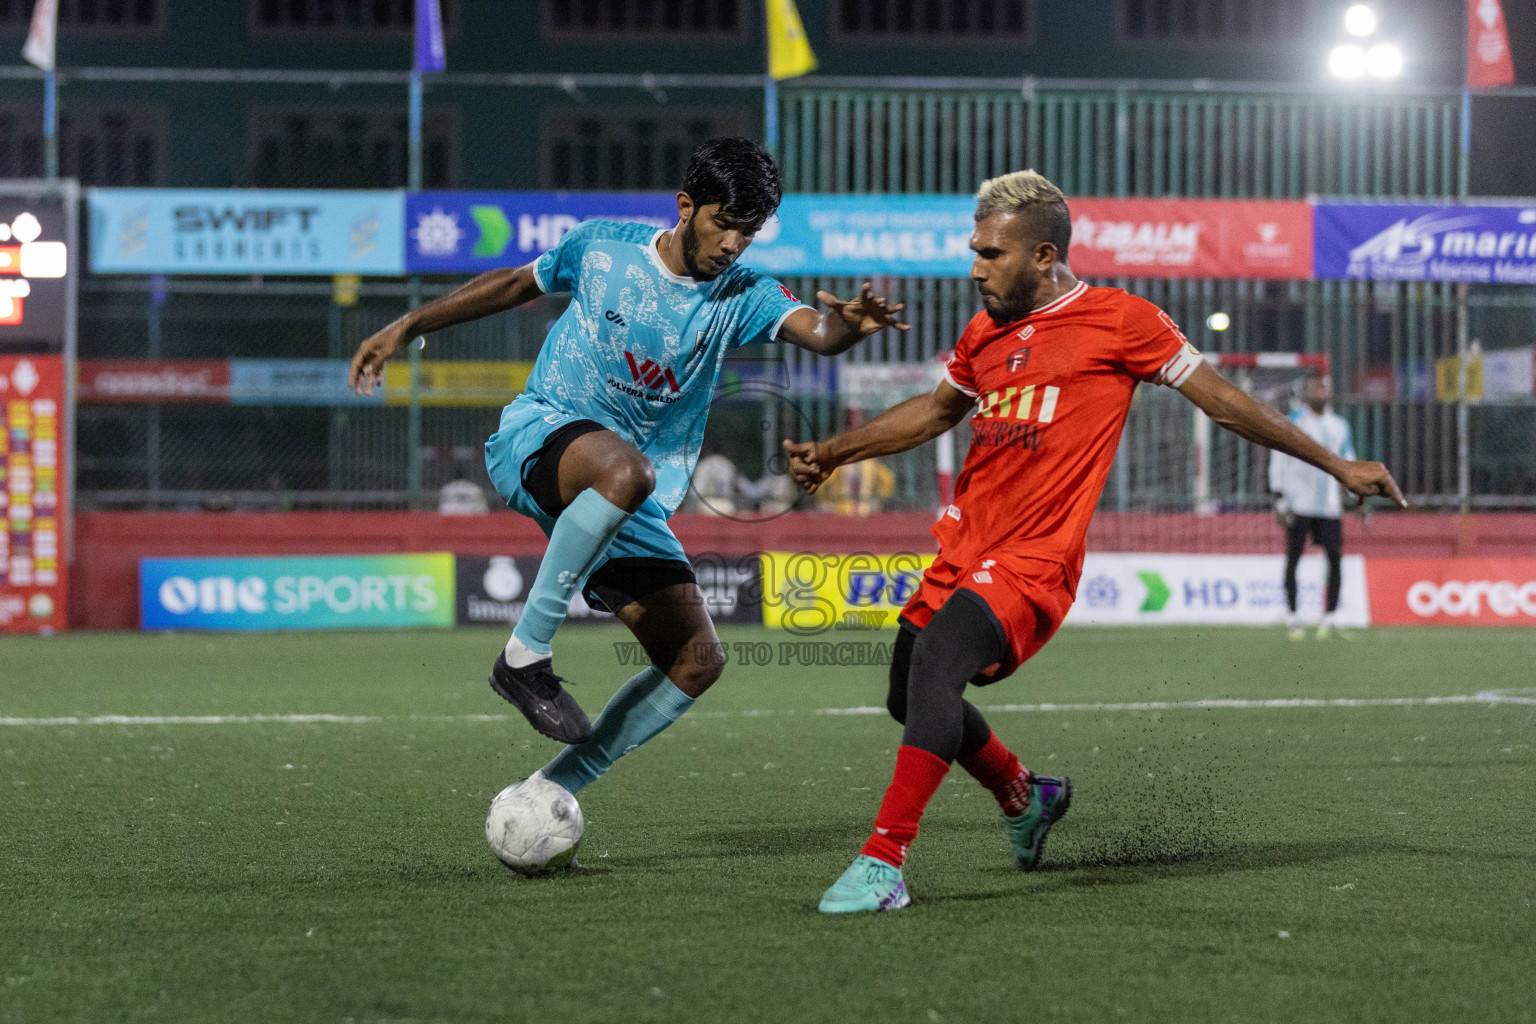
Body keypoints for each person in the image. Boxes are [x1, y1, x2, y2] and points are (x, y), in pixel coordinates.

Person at [784, 169, 1405, 914]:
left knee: (939, 666)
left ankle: (884, 863)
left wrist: (1336, 465)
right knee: (906, 692)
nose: (975, 266)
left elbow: (1227, 404)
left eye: (992, 253)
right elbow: (933, 413)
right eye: (974, 250)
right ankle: (1025, 795)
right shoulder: (985, 331)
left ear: (1044, 256)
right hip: (964, 547)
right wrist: (835, 452)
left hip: (1033, 559)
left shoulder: (1120, 320)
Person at [349, 138, 906, 801]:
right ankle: (523, 657)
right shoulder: (603, 248)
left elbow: (817, 332)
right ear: (685, 206)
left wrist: (849, 327)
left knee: (697, 661)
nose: (732, 244)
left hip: (629, 494)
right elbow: (510, 284)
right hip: (541, 434)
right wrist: (408, 324)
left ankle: (550, 794)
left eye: (747, 232)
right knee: (626, 470)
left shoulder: (743, 293)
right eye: (722, 222)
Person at [1269, 373, 1355, 639]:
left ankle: (1330, 618)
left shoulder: (1339, 426)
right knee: (1293, 558)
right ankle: (1293, 616)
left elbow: (1348, 462)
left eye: (1324, 388)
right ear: (1305, 393)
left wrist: (1356, 492)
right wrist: (1279, 497)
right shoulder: (1293, 422)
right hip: (1298, 503)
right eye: (1314, 388)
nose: (1320, 392)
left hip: (1329, 505)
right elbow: (1278, 459)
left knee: (1335, 559)